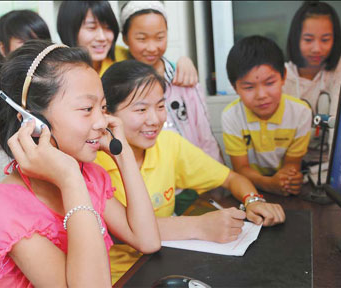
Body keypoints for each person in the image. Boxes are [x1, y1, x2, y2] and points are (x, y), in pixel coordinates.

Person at [0, 40, 160, 287]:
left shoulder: (90, 177)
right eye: (87, 108)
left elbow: (147, 240)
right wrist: (70, 179)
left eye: (103, 107)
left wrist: (123, 151)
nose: (101, 121)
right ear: (32, 121)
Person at [96, 59, 286, 284]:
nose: (155, 119)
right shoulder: (92, 161)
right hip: (119, 278)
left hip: (162, 265)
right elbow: (123, 232)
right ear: (107, 113)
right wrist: (201, 226)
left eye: (160, 106)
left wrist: (253, 200)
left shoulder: (168, 144)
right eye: (141, 109)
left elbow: (231, 178)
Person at [118, 0, 222, 164]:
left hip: (191, 174)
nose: (152, 48)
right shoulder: (119, 84)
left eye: (160, 37)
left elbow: (205, 136)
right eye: (142, 39)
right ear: (125, 38)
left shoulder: (184, 79)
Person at [222, 35, 312, 196]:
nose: (261, 95)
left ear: (284, 76)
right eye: (249, 87)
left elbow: (292, 164)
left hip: (284, 188)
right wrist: (270, 184)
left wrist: (287, 179)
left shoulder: (301, 113)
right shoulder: (231, 116)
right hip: (249, 189)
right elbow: (241, 168)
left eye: (270, 83)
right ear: (235, 87)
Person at [57, 0, 198, 83]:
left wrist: (183, 62)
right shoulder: (57, 70)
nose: (102, 37)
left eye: (107, 28)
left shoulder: (123, 57)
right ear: (69, 28)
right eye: (91, 27)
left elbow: (157, 64)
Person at [283, 1, 341, 162]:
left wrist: (335, 168)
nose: (317, 48)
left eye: (325, 39)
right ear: (296, 39)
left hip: (328, 162)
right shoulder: (282, 74)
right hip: (291, 163)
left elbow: (339, 119)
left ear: (335, 39)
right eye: (308, 40)